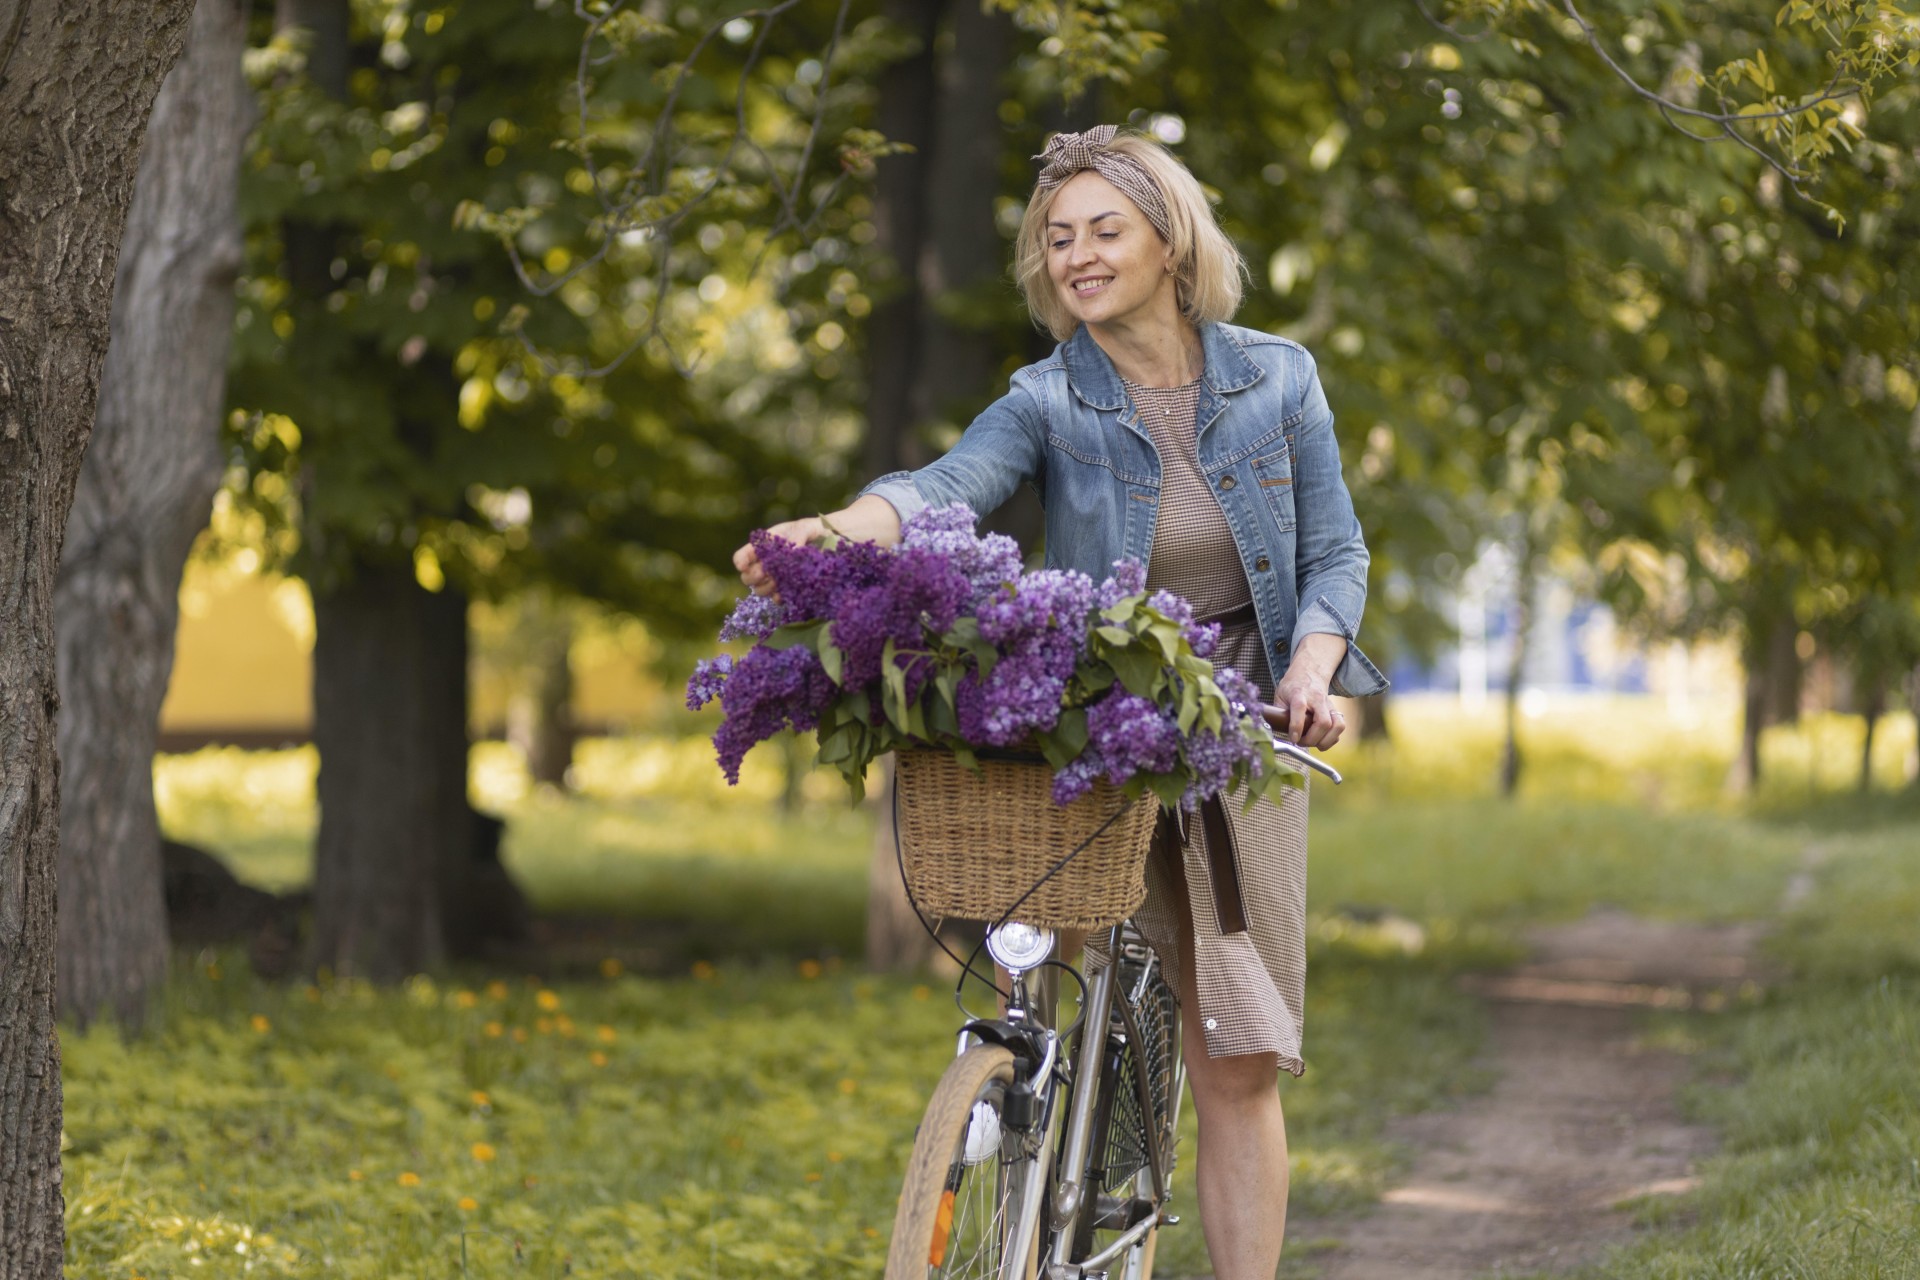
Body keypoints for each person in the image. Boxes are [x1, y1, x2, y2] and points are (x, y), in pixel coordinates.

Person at [733, 124, 1385, 1278]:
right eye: (1058, 237)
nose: (1077, 255)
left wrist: (1311, 669)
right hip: (1098, 707)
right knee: (1033, 978)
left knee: (1233, 1059)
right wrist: (833, 530)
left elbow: (1334, 550)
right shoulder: (1047, 398)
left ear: (1170, 243)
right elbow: (945, 487)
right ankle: (1024, 1162)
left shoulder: (1279, 377)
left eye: (1104, 231)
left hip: (1244, 717)